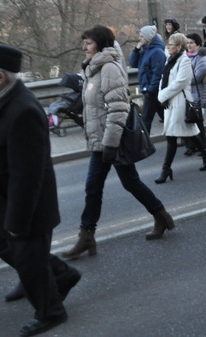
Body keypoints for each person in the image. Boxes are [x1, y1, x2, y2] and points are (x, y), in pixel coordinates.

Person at [0, 44, 81, 336]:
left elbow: (28, 174)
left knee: (28, 259)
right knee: (5, 246)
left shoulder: (23, 110)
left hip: (25, 205)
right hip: (3, 200)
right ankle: (62, 274)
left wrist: (18, 220)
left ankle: (51, 312)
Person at [63, 26, 175, 259]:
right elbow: (98, 104)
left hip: (110, 140)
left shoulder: (109, 68)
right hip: (102, 138)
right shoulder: (92, 68)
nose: (84, 47)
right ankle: (161, 216)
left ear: (101, 45)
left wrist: (110, 144)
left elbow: (118, 108)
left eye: (89, 43)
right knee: (128, 182)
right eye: (83, 42)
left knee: (94, 186)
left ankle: (87, 237)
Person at [156, 33, 206, 182]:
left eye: (171, 45)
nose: (168, 47)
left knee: (172, 136)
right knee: (189, 132)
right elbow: (164, 79)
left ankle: (165, 170)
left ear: (179, 47)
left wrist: (162, 95)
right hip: (170, 102)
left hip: (180, 101)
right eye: (168, 44)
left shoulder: (185, 61)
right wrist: (161, 94)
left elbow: (180, 82)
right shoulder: (170, 60)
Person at [129, 25, 166, 131]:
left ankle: (145, 145)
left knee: (145, 119)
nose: (139, 39)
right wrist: (136, 49)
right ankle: (185, 137)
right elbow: (133, 63)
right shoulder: (145, 50)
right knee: (166, 116)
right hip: (148, 89)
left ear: (148, 37)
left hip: (152, 91)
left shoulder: (157, 52)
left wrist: (151, 90)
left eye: (141, 36)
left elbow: (157, 73)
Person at [184, 33, 206, 154]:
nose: (189, 45)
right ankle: (191, 146)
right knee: (189, 121)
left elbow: (197, 76)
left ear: (198, 45)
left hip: (197, 94)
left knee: (197, 121)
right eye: (187, 42)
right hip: (186, 93)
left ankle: (203, 146)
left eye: (191, 43)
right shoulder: (184, 56)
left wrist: (182, 80)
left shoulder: (201, 58)